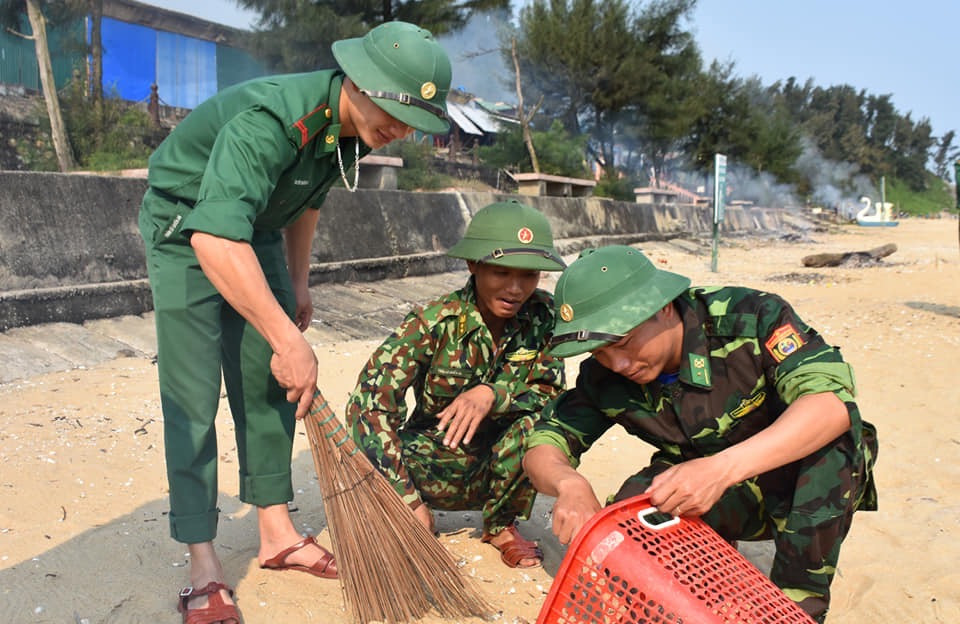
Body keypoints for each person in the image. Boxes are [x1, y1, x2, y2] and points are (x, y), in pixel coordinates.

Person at [137, 21, 451, 624]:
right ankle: (202, 558)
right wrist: (285, 336)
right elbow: (212, 235)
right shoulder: (272, 122)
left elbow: (305, 197)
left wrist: (298, 282)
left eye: (414, 121)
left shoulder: (354, 125)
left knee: (267, 383)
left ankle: (276, 532)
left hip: (251, 230)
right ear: (358, 80)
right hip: (188, 228)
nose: (400, 129)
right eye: (392, 109)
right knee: (194, 393)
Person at [523, 245, 878, 623]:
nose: (618, 364)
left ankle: (797, 606)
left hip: (797, 487)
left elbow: (830, 406)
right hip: (709, 494)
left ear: (660, 306)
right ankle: (710, 585)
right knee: (630, 517)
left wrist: (719, 470)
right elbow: (544, 444)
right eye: (598, 352)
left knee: (833, 448)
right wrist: (568, 484)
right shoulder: (605, 376)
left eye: (622, 342)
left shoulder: (749, 317)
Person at [345, 200, 566, 569]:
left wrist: (494, 394)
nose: (515, 288)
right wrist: (408, 500)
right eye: (501, 272)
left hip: (504, 465)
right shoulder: (433, 323)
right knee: (365, 450)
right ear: (473, 265)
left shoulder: (544, 318)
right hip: (434, 462)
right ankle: (407, 514)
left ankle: (500, 524)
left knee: (541, 428)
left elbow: (551, 394)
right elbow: (367, 407)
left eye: (529, 275)